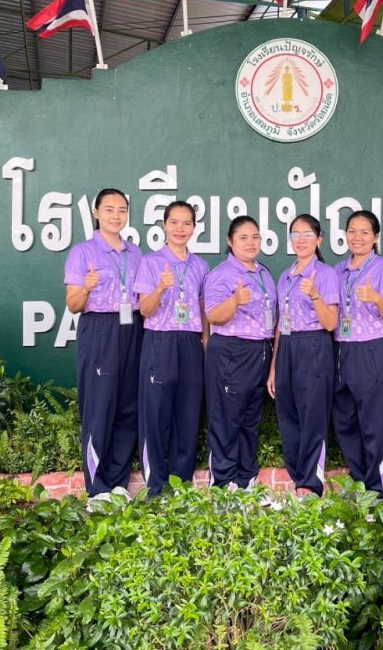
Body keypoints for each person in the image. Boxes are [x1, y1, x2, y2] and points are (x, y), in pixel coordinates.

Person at [63, 188, 143, 505]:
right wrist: (86, 287)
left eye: (122, 210)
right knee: (99, 407)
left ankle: (118, 483)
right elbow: (73, 304)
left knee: (128, 406)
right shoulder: (83, 252)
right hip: (99, 328)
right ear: (96, 213)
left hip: (132, 327)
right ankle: (97, 489)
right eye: (109, 209)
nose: (116, 216)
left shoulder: (135, 253)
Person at [133, 201, 210, 496]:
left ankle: (181, 485)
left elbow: (203, 308)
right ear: (164, 225)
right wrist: (161, 288)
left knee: (188, 414)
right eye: (174, 222)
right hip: (160, 341)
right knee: (155, 414)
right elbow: (145, 310)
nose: (180, 229)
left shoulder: (200, 265)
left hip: (190, 342)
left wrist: (205, 341)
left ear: (194, 227)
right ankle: (156, 486)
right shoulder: (151, 262)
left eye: (186, 223)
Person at [266, 214, 339, 496]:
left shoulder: (325, 274)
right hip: (287, 347)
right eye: (295, 234)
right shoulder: (285, 276)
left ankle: (310, 484)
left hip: (314, 345)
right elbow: (280, 325)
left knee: (312, 416)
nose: (301, 240)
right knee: (288, 416)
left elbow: (331, 323)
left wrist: (316, 295)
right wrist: (274, 366)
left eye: (307, 234)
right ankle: (298, 479)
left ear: (319, 239)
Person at [204, 215, 277, 489]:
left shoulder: (264, 273)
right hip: (231, 351)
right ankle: (223, 483)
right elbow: (213, 316)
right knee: (227, 419)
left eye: (255, 237)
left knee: (250, 420)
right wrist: (234, 301)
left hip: (260, 350)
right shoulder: (221, 274)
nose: (250, 242)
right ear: (230, 241)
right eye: (243, 237)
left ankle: (246, 480)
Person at [332, 210, 383, 497]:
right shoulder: (338, 270)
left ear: (375, 237)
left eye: (364, 232)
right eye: (352, 231)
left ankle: (378, 488)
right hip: (341, 348)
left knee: (374, 421)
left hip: (372, 348)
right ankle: (360, 481)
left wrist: (375, 297)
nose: (357, 237)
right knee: (345, 417)